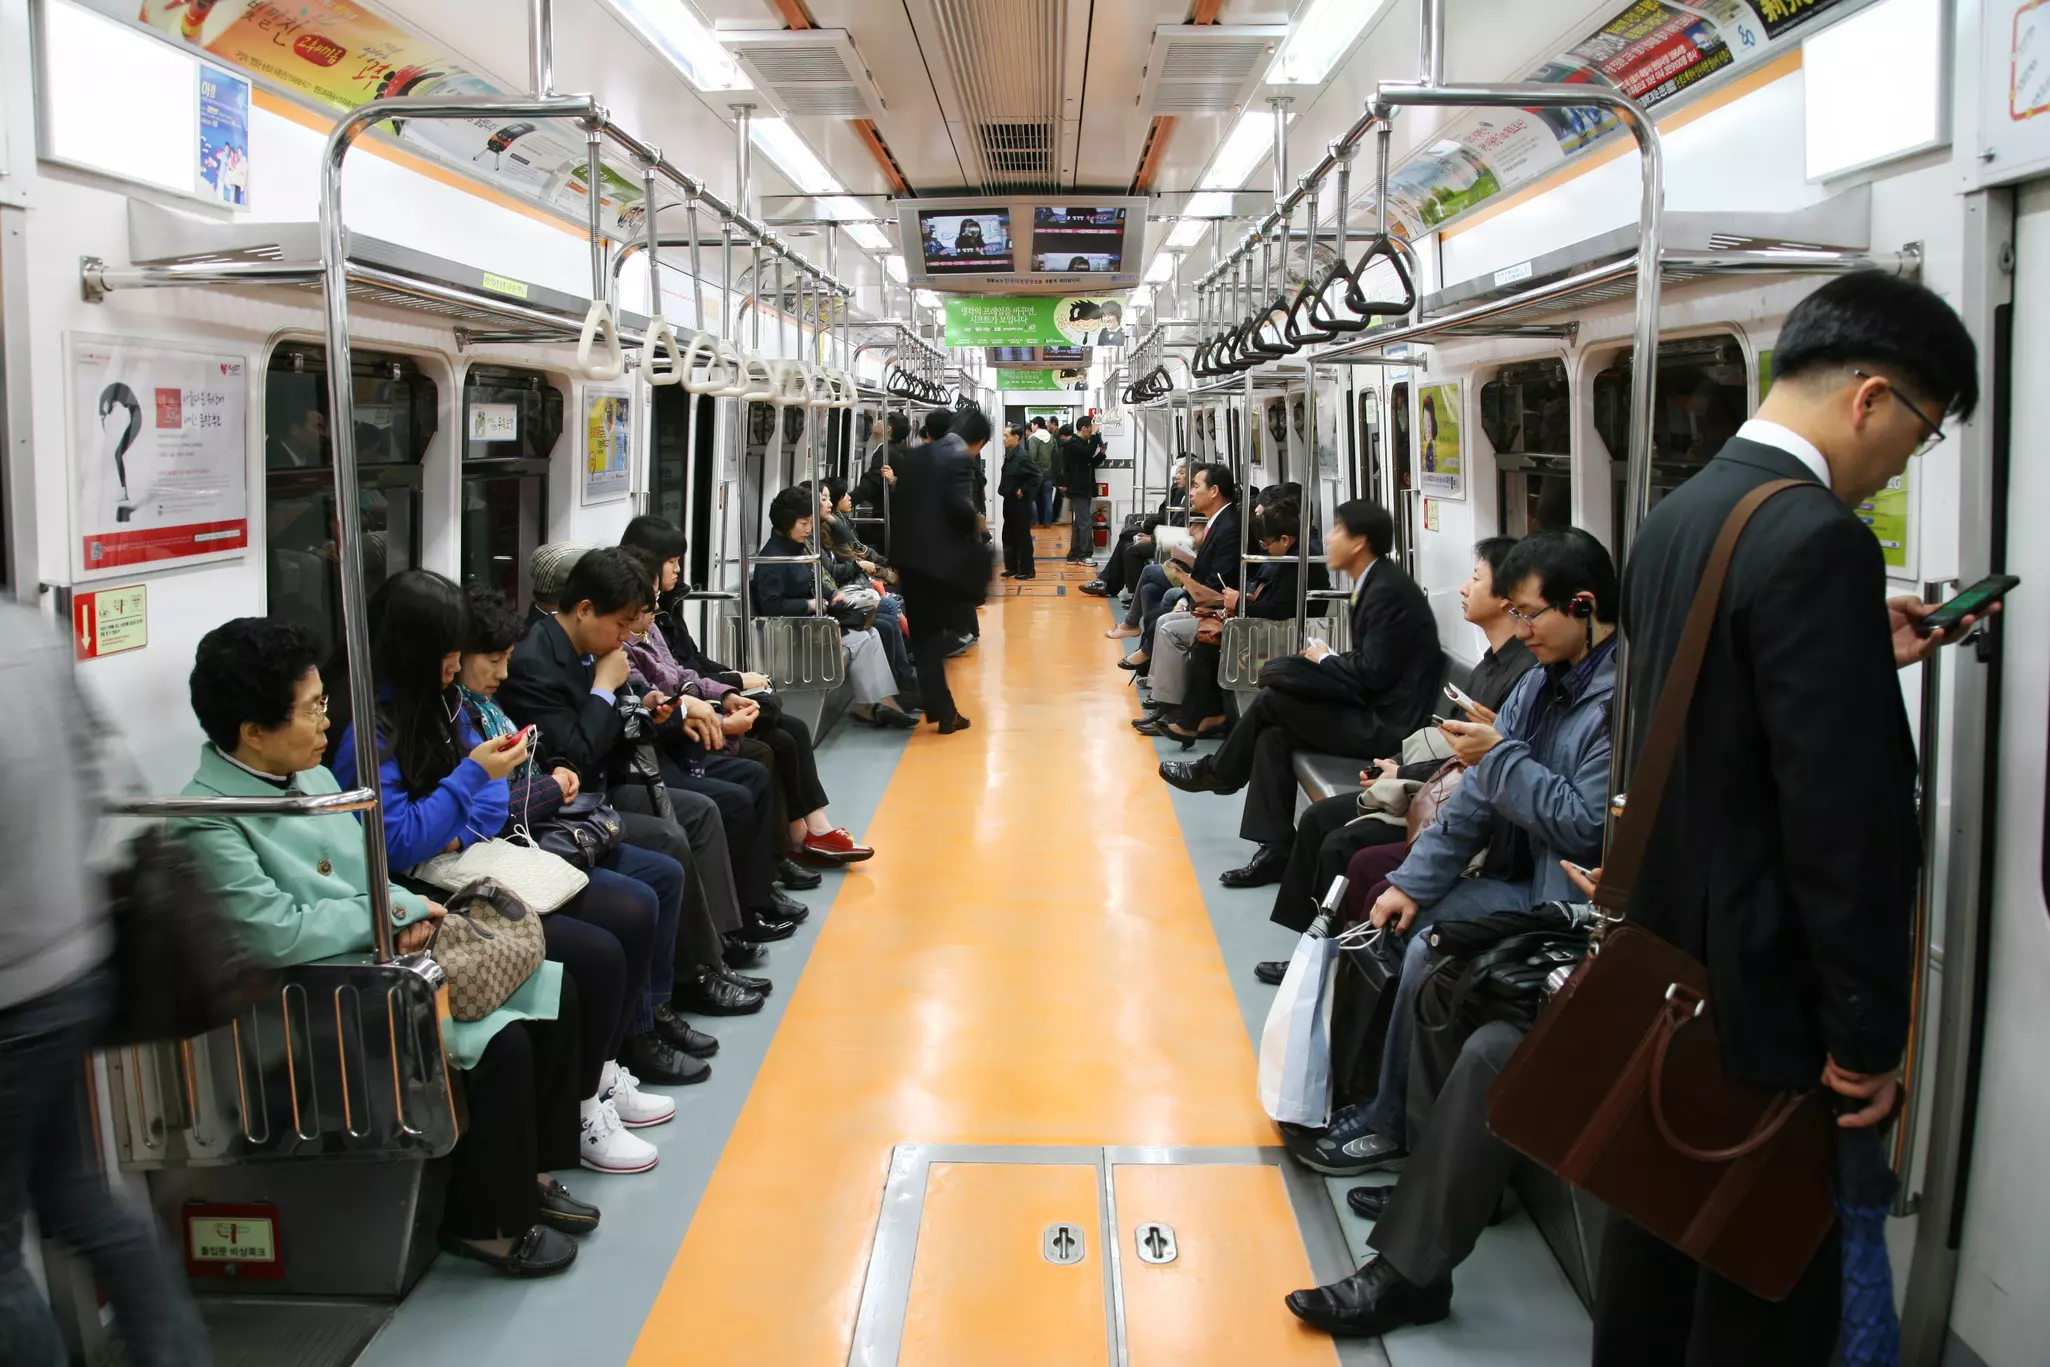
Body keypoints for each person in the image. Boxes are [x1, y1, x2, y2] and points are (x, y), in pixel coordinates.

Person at [1593, 270, 1985, 1365]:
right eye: (1916, 435)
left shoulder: (1679, 515)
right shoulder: (1819, 538)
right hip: (1764, 1002)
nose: (1898, 464)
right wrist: (1866, 1039)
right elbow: (1842, 827)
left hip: (1672, 969)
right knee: (1758, 1296)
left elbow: (1715, 714)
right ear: (1871, 398)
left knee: (1658, 1261)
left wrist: (1855, 643)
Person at [178, 617, 591, 1278]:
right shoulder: (208, 820)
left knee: (557, 983)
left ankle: (529, 1175)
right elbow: (275, 931)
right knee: (503, 1043)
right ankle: (485, 1224)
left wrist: (400, 910)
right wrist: (391, 914)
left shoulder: (313, 780)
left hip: (381, 959)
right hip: (318, 997)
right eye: (312, 709)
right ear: (254, 731)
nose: (327, 721)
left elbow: (368, 867)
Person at [1291, 528, 1617, 1180]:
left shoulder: (1617, 703)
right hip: (1518, 878)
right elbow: (1471, 806)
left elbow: (1583, 827)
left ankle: (1395, 1127)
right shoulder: (1539, 685)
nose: (1521, 630)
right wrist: (1410, 882)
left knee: (1430, 947)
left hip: (1564, 900)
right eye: (1515, 612)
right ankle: (1366, 1095)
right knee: (1391, 916)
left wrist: (1499, 756)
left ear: (1582, 605)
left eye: (1531, 614)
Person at [331, 570, 701, 1118]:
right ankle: (581, 1107)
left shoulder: (443, 703)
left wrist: (455, 815)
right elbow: (399, 843)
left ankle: (603, 1075)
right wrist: (467, 783)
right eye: (448, 652)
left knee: (639, 903)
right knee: (598, 953)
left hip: (470, 851)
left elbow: (492, 802)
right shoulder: (368, 729)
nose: (457, 664)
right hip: (429, 886)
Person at [0, 606, 210, 1362]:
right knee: (81, 1198)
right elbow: (99, 776)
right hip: (71, 967)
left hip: (10, 992)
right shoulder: (28, 633)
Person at [501, 547, 804, 954]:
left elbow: (627, 712)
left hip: (617, 773)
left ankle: (724, 939)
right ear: (585, 610)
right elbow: (574, 756)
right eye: (621, 624)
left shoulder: (592, 648)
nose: (624, 636)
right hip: (579, 798)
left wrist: (652, 708)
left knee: (709, 807)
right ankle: (702, 963)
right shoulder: (535, 663)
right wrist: (603, 688)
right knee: (673, 835)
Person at [1243, 537, 1536, 912]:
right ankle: (1310, 938)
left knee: (1340, 843)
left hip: (1452, 799)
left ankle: (1327, 942)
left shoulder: (1521, 675)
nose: (1464, 588)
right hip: (1433, 776)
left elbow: (1472, 762)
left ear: (1507, 598)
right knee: (1312, 809)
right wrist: (1399, 766)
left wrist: (1403, 771)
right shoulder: (1489, 664)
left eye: (1476, 579)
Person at [1161, 501, 1438, 863]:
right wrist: (1327, 661)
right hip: (1372, 707)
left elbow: (1373, 674)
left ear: (1359, 542)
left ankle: (1219, 772)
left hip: (1387, 725)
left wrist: (1326, 660)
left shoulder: (1387, 591)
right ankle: (1274, 847)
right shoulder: (1375, 582)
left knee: (1274, 701)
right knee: (1274, 735)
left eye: (1337, 530)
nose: (1328, 538)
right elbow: (1374, 664)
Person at [615, 522, 872, 869]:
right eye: (671, 561)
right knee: (774, 742)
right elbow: (663, 692)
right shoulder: (636, 631)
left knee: (783, 723)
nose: (677, 569)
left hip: (698, 700)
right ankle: (787, 847)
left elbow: (688, 667)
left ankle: (805, 833)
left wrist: (729, 688)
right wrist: (726, 698)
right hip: (681, 728)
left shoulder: (662, 613)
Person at [1135, 501, 1324, 746]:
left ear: (1285, 539)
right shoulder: (1290, 557)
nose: (1265, 549)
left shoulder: (1297, 563)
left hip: (1276, 633)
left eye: (1266, 544)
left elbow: (1278, 609)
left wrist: (1240, 603)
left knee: (1206, 647)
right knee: (1188, 632)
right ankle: (1199, 717)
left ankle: (1189, 719)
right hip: (1265, 624)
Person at [753, 487, 919, 729]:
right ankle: (872, 704)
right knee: (862, 639)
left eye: (810, 523)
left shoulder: (795, 549)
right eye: (803, 524)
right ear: (786, 522)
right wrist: (809, 604)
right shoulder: (774, 559)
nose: (808, 529)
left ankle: (877, 702)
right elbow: (772, 605)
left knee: (871, 633)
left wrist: (833, 595)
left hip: (813, 622)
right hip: (795, 630)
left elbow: (813, 581)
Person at [891, 406, 991, 734]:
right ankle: (922, 697)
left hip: (909, 561)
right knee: (949, 631)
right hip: (941, 565)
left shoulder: (915, 456)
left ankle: (942, 709)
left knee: (924, 638)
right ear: (979, 441)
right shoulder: (959, 460)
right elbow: (958, 509)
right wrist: (976, 521)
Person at [1109, 463, 1240, 672]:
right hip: (1199, 593)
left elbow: (1216, 585)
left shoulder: (1228, 527)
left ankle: (1147, 661)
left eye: (1196, 486)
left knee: (1160, 619)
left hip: (1214, 607)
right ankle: (1148, 666)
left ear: (1214, 490)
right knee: (1150, 592)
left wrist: (1183, 590)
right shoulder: (1216, 522)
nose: (1191, 492)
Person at [998, 422, 1042, 579]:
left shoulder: (1022, 456)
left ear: (1016, 437)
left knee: (1022, 536)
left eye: (1006, 436)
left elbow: (1037, 476)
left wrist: (1023, 490)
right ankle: (1012, 567)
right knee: (1008, 535)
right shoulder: (1011, 454)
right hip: (1009, 500)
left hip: (1020, 504)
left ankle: (1027, 570)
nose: (1004, 439)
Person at [1062, 416, 1103, 564]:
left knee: (1080, 523)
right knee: (1085, 523)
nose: (1091, 433)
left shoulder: (1081, 444)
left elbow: (1090, 462)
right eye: (1091, 430)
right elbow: (1087, 454)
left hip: (1084, 488)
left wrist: (1102, 454)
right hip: (1078, 488)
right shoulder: (1073, 443)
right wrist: (1094, 437)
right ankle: (1085, 555)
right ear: (1084, 428)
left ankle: (1074, 554)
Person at [1028, 416, 1059, 525]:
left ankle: (1035, 521)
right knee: (1048, 498)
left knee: (1031, 498)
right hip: (1048, 474)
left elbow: (1032, 458)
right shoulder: (1052, 439)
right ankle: (1048, 522)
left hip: (1035, 475)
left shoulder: (1033, 439)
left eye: (1032, 425)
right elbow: (1056, 456)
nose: (1032, 427)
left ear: (1036, 425)